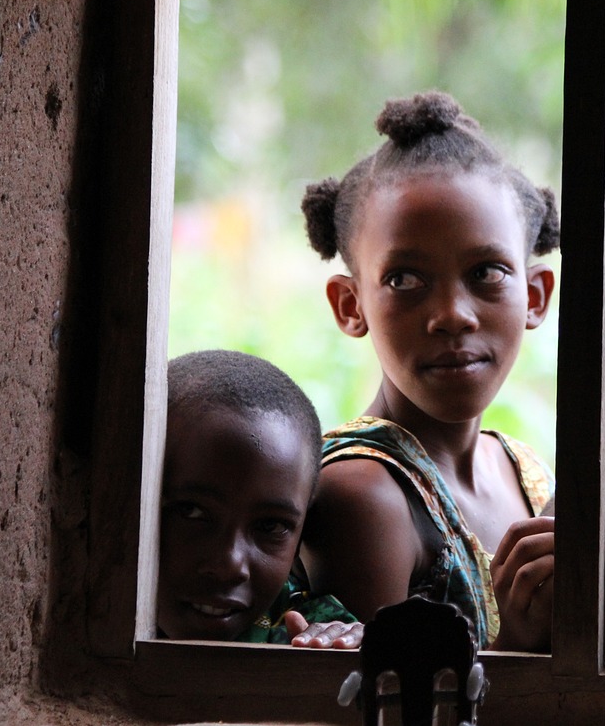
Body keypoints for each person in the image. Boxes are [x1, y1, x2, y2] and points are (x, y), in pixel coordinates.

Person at [298, 90, 558, 651]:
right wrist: (515, 644)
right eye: (405, 280)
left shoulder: (524, 470)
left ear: (535, 296)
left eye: (487, 272)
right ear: (351, 306)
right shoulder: (364, 496)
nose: (452, 315)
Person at [158, 350, 362, 648]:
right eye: (192, 512)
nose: (230, 564)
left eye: (270, 526)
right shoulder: (78, 612)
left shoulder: (299, 629)